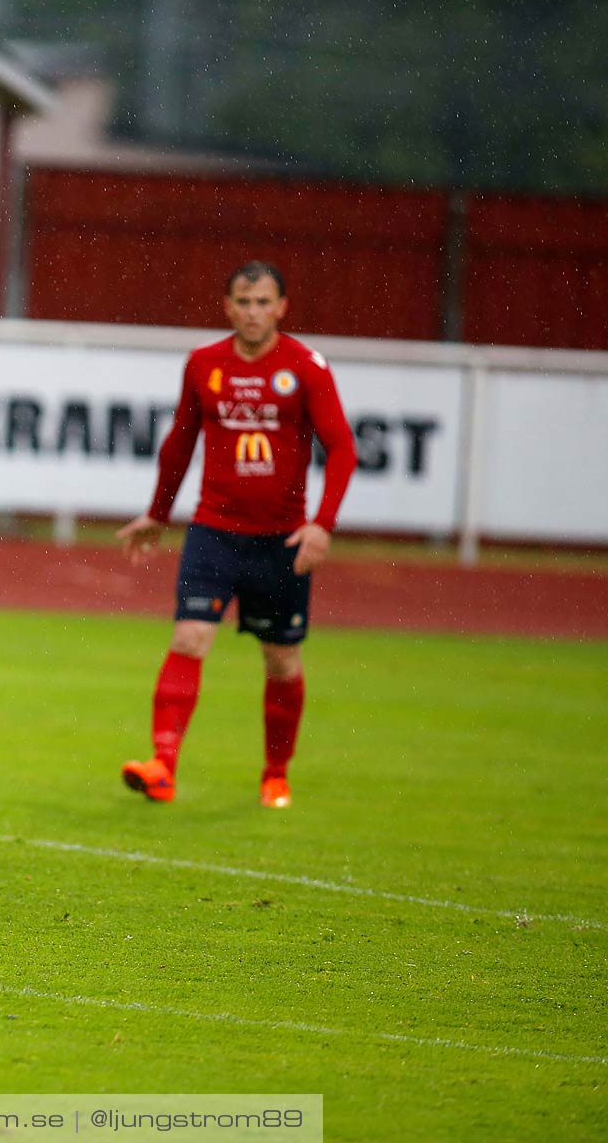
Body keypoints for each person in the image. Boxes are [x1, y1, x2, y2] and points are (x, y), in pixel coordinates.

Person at [115, 261, 357, 808]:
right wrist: (158, 512)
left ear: (281, 308)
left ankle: (275, 773)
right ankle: (163, 765)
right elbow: (180, 441)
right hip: (214, 532)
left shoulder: (306, 367)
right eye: (243, 302)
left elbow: (341, 447)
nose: (252, 312)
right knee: (189, 638)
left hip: (281, 540)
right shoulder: (204, 364)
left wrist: (322, 525)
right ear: (227, 307)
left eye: (263, 302)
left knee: (281, 660)